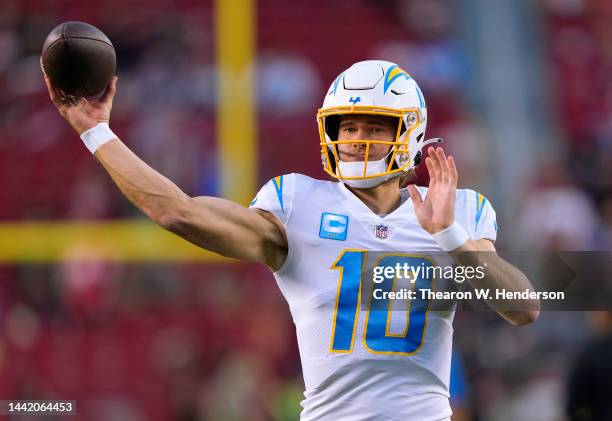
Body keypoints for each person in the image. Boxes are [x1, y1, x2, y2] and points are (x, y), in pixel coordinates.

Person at [44, 60, 539, 420]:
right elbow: (177, 212)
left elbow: (523, 306)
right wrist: (96, 133)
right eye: (348, 126)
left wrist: (450, 236)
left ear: (410, 134)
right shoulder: (298, 203)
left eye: (374, 126)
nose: (356, 138)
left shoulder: (458, 209)